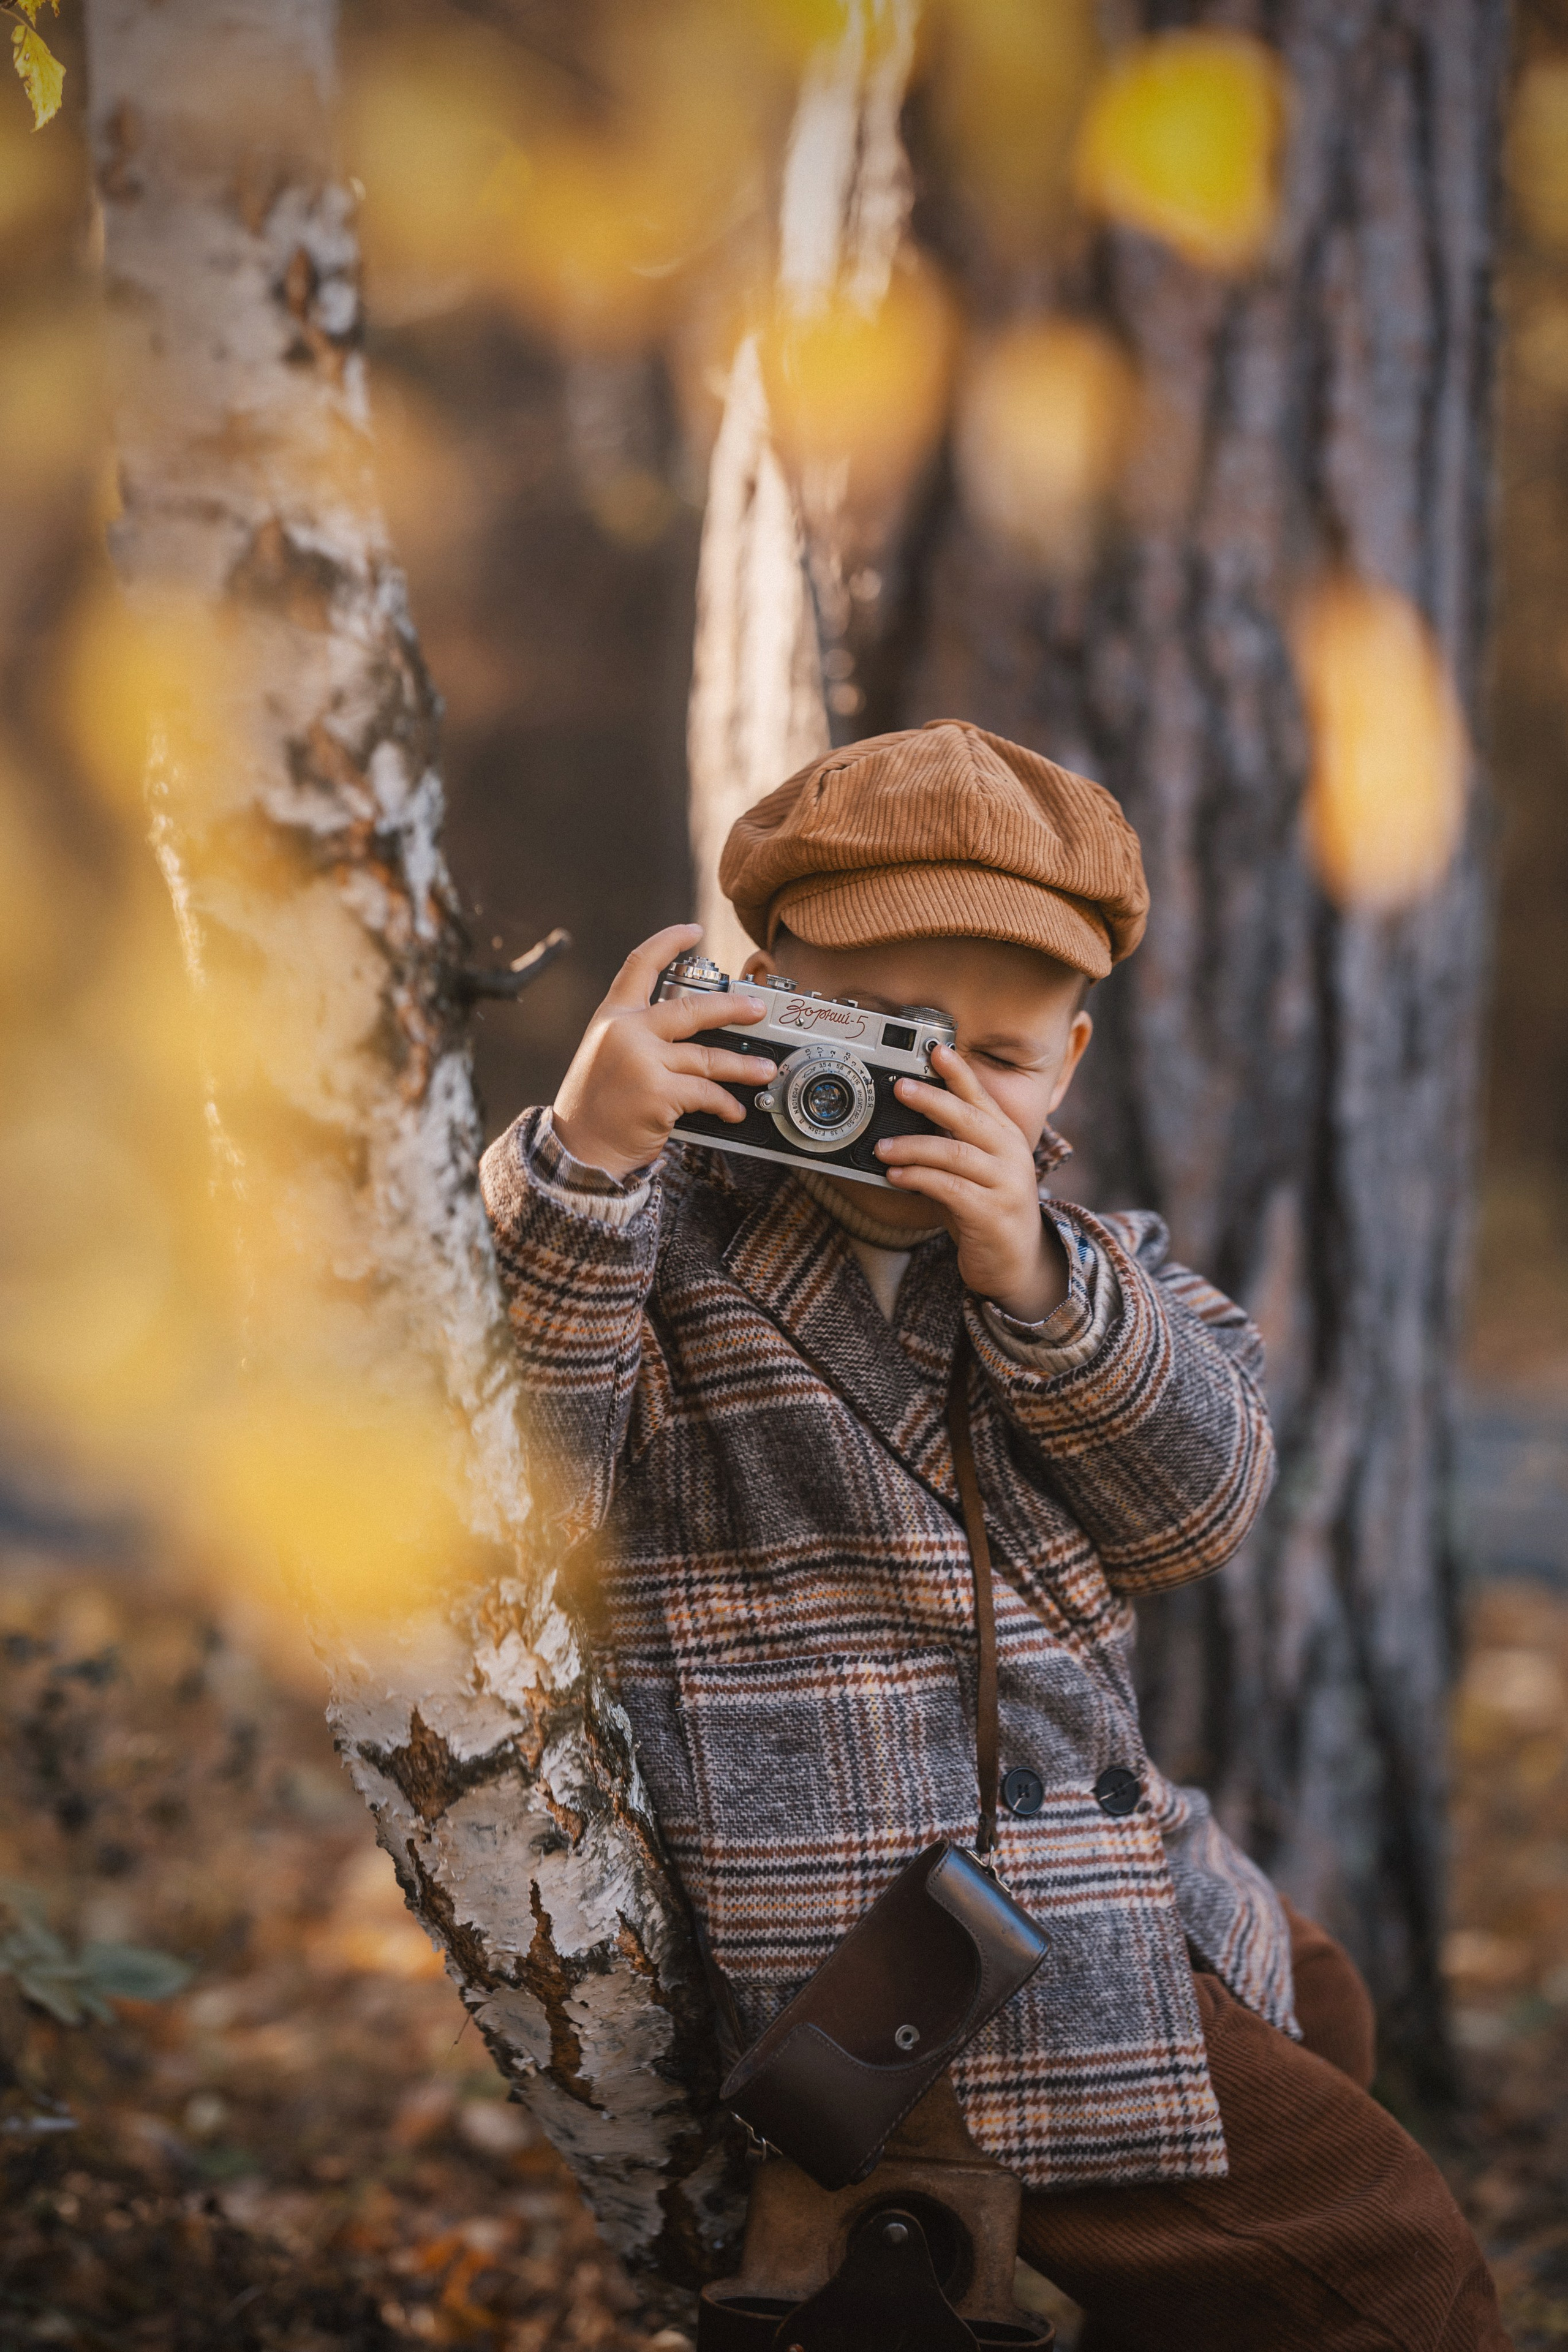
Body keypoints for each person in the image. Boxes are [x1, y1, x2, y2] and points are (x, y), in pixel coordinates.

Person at [480, 720, 1508, 2351]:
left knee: (1328, 2009)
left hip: (1082, 1862)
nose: (923, 1107)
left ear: (1074, 1064)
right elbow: (521, 1498)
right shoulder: (648, 1243)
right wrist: (590, 1165)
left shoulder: (1092, 1267)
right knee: (1381, 2274)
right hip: (890, 1947)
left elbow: (1203, 1510)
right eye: (884, 1040)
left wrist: (1038, 1281)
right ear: (759, 999)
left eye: (999, 1064)